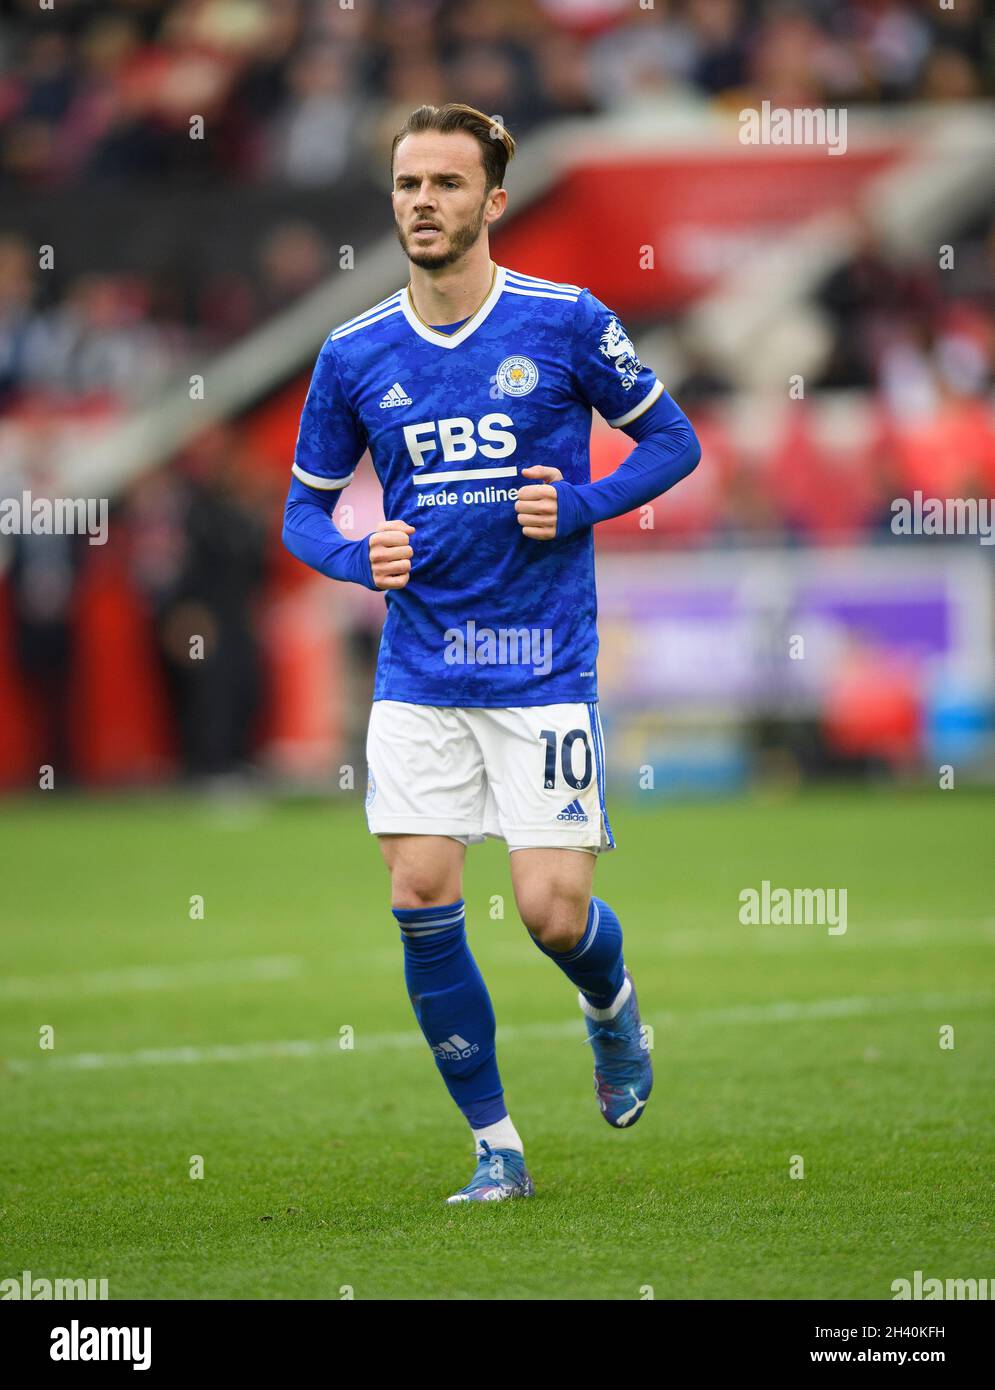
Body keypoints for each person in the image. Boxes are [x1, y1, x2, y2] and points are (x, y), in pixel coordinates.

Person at [283, 102, 701, 1202]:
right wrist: (349, 553)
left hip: (540, 663)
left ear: (492, 202)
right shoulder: (352, 351)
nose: (423, 202)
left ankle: (609, 1008)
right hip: (419, 672)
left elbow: (674, 439)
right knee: (420, 892)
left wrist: (582, 503)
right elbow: (301, 512)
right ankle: (496, 1147)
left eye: (445, 185)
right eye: (408, 184)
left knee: (549, 912)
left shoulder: (563, 323)